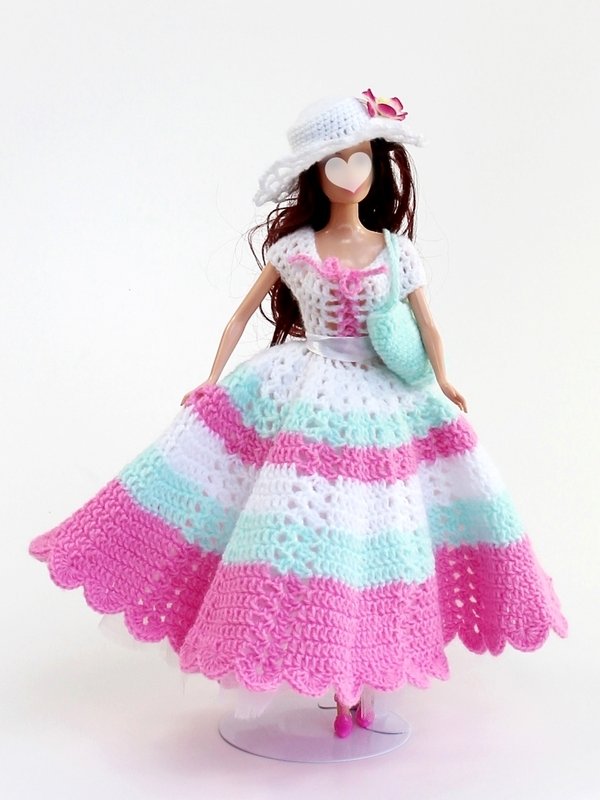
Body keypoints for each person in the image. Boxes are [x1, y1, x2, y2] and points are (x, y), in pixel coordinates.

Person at [28, 88, 568, 740]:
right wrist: (211, 379)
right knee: (292, 523)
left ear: (378, 165)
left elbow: (428, 324)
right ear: (315, 173)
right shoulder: (294, 250)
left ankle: (361, 676)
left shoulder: (396, 251)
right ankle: (324, 673)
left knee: (381, 532)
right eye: (335, 161)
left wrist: (444, 380)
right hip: (305, 387)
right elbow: (238, 316)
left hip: (385, 395)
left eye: (361, 158)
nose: (350, 173)